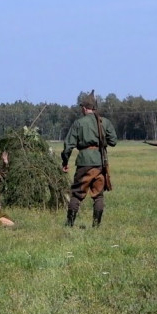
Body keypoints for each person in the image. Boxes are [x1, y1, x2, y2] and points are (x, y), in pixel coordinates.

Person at [61, 93, 117, 228]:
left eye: (82, 107)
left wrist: (65, 162)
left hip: (84, 163)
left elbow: (68, 145)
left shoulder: (79, 123)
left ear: (85, 108)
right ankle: (96, 227)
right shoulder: (105, 122)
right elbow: (113, 141)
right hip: (100, 163)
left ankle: (69, 225)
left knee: (77, 194)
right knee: (98, 196)